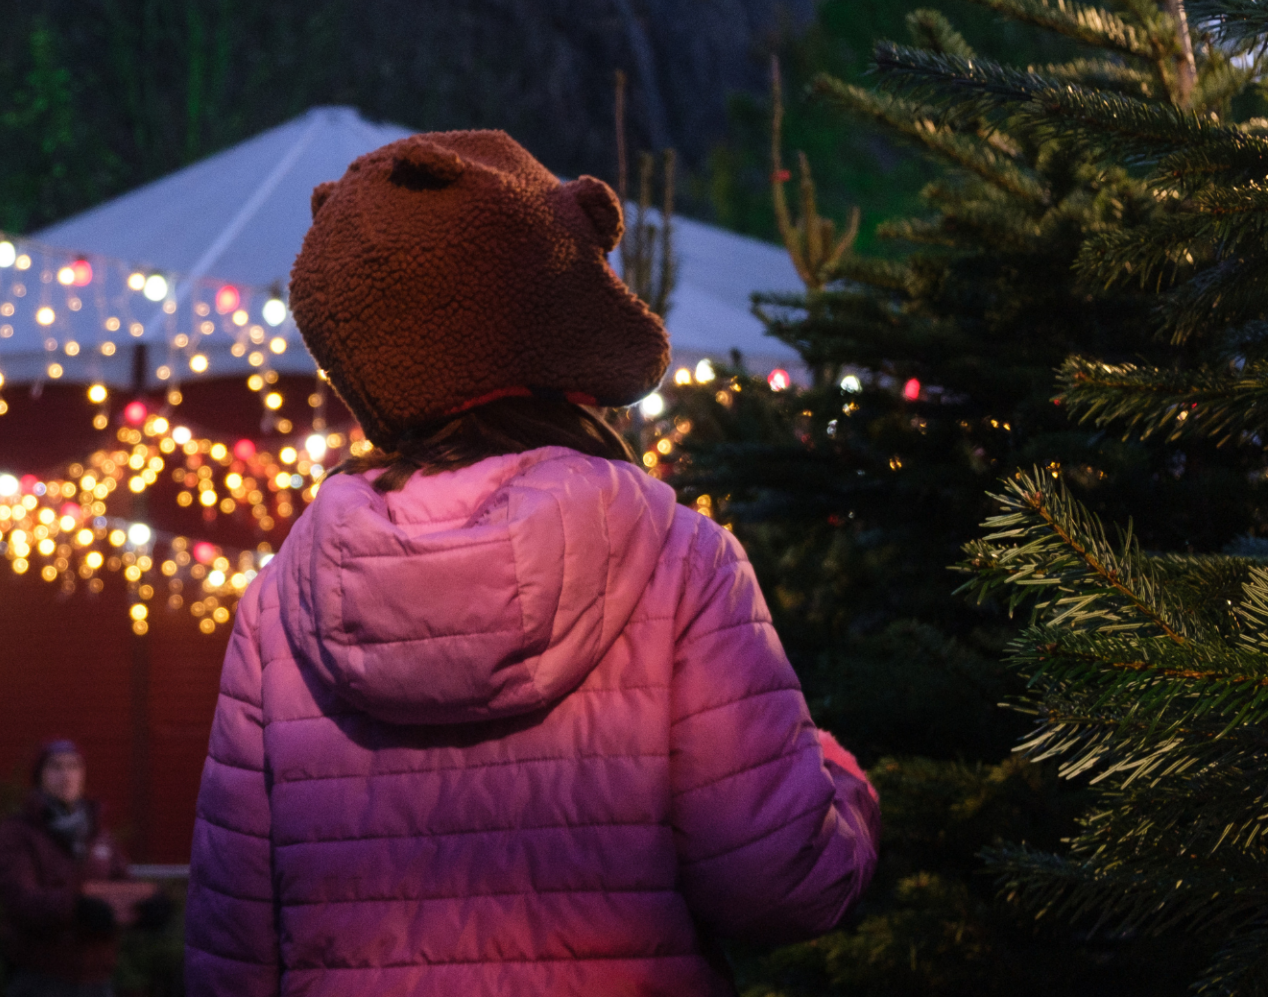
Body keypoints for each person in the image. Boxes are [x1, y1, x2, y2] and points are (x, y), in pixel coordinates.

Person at [185, 131, 881, 995]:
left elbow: (230, 954)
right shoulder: (681, 560)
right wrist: (845, 786)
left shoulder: (280, 609)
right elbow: (779, 883)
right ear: (561, 336)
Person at [0, 739, 171, 997]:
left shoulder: (97, 834)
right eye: (55, 767)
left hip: (97, 977)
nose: (66, 775)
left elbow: (121, 882)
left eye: (74, 766)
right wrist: (75, 908)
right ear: (39, 776)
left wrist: (149, 903)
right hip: (41, 977)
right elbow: (19, 899)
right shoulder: (18, 833)